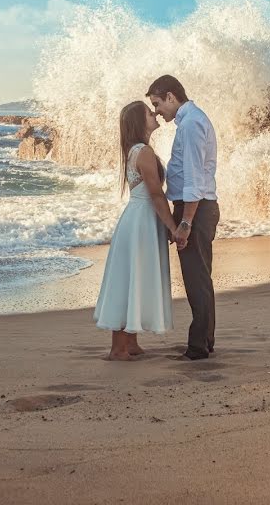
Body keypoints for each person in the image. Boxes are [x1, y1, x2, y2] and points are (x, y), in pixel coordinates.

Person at [93, 101, 177, 361]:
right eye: (149, 113)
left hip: (137, 219)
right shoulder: (144, 152)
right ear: (140, 122)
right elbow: (155, 194)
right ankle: (118, 348)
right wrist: (173, 227)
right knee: (131, 277)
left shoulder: (135, 150)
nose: (155, 115)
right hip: (141, 220)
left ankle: (130, 343)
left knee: (132, 276)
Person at [147, 75, 219, 361]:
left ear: (171, 97)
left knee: (196, 279)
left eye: (157, 104)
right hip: (198, 208)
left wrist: (185, 222)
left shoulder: (190, 124)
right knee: (200, 278)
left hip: (196, 210)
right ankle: (205, 341)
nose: (156, 111)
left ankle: (198, 347)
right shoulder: (192, 120)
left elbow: (194, 179)